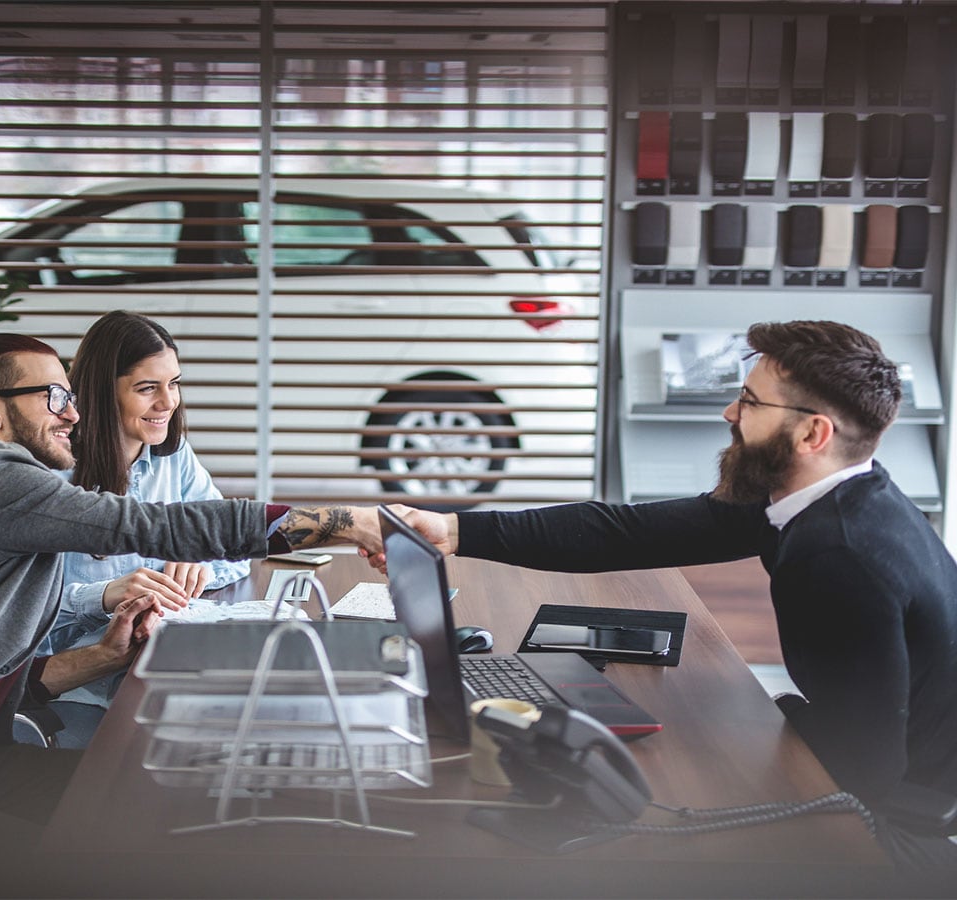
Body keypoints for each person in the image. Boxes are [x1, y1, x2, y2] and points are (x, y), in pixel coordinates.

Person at [0, 331, 391, 861]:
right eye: (55, 398)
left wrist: (104, 655)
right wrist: (346, 520)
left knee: (161, 804)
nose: (72, 414)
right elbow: (160, 525)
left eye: (69, 397)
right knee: (110, 859)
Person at [379, 320, 957, 879]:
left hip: (901, 826)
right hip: (887, 772)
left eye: (751, 404)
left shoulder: (838, 554)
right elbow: (626, 530)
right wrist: (456, 532)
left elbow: (873, 771)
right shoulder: (827, 495)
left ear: (813, 434)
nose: (730, 414)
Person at [37, 312, 250, 747]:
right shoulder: (52, 473)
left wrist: (200, 561)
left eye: (173, 383)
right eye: (147, 388)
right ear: (101, 393)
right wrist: (104, 595)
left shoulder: (173, 457)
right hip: (77, 688)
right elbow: (21, 606)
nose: (168, 402)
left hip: (153, 668)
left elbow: (236, 542)